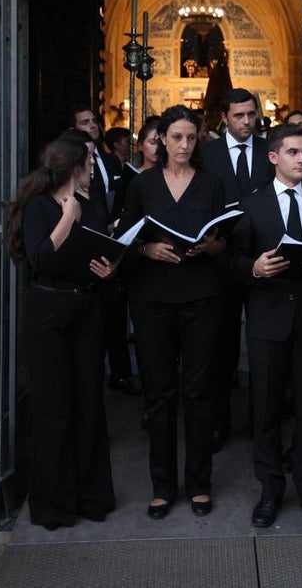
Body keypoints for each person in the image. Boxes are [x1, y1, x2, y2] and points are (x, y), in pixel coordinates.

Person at [114, 105, 228, 520]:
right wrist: (147, 248)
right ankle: (162, 487)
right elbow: (124, 235)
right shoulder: (142, 185)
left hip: (201, 297)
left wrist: (212, 246)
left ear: (199, 140)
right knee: (159, 395)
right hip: (152, 299)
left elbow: (226, 237)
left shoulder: (212, 183)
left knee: (199, 395)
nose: (183, 144)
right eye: (176, 137)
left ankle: (200, 484)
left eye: (191, 138)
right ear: (161, 139)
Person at [3, 135, 118, 531]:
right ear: (75, 168)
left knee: (89, 402)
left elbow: (100, 252)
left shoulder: (95, 204)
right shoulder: (38, 206)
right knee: (54, 408)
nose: (93, 167)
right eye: (88, 161)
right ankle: (54, 504)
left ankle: (92, 496)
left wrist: (110, 268)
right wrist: (68, 217)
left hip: (86, 307)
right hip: (47, 311)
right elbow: (39, 257)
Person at [229, 123, 302, 530]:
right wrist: (254, 268)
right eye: (293, 152)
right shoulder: (250, 204)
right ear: (273, 157)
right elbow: (232, 262)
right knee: (268, 411)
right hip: (267, 322)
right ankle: (271, 491)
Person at [201, 88, 277, 452]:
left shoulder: (270, 151)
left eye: (251, 114)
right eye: (239, 116)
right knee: (220, 347)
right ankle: (219, 421)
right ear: (225, 117)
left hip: (265, 260)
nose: (247, 122)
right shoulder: (207, 154)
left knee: (266, 348)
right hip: (219, 262)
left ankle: (263, 421)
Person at [72, 105, 140, 397]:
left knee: (115, 316)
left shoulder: (112, 163)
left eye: (94, 121)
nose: (93, 125)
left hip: (111, 238)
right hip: (86, 244)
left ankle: (121, 374)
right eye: (85, 122)